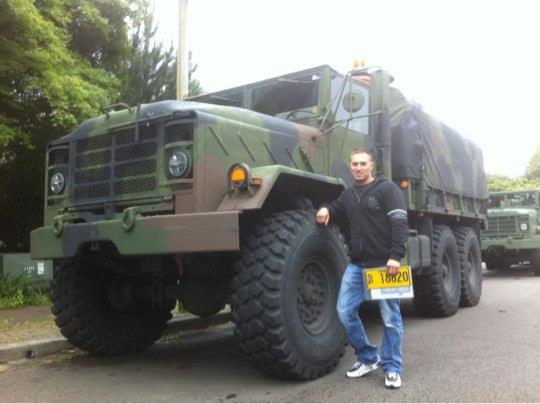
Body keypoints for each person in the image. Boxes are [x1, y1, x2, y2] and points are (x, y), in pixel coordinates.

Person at [316, 148, 409, 389]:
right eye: (354, 164)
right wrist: (325, 209)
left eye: (363, 163)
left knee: (391, 319)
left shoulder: (387, 189)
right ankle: (368, 358)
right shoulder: (348, 194)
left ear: (371, 166)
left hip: (384, 266)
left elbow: (399, 222)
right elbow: (336, 208)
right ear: (350, 167)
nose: (358, 168)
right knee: (344, 311)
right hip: (357, 265)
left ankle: (392, 367)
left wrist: (395, 256)